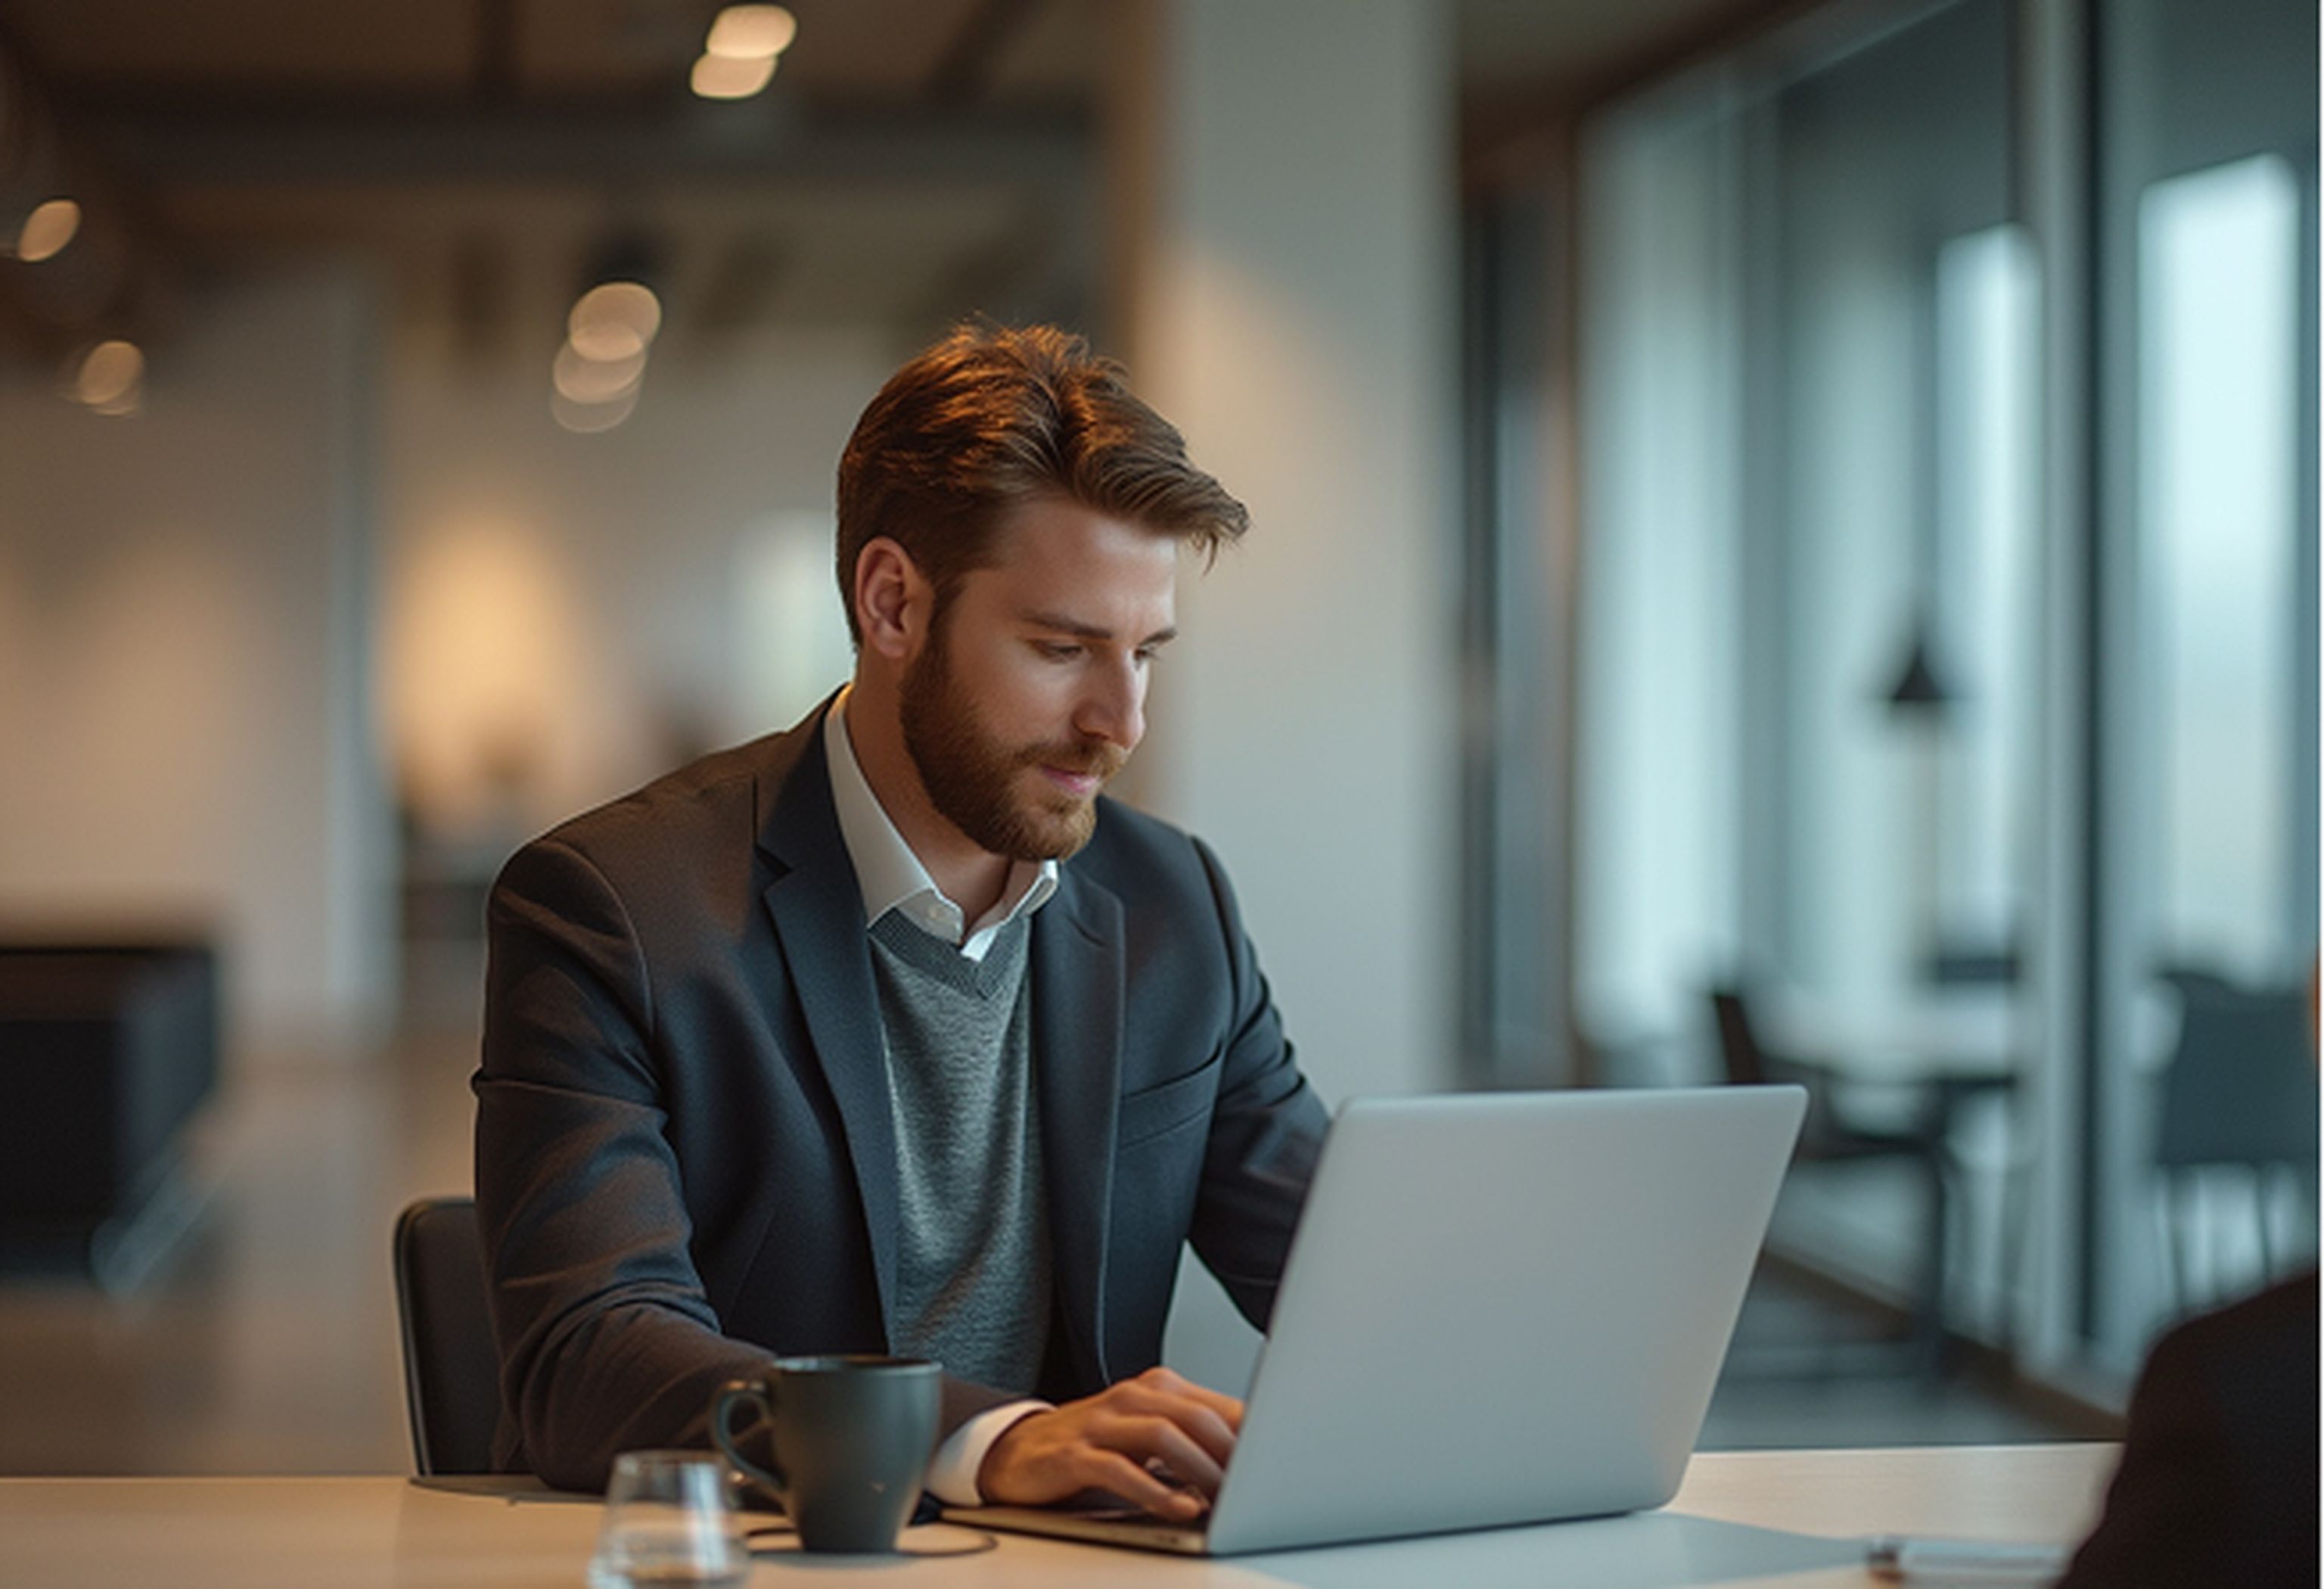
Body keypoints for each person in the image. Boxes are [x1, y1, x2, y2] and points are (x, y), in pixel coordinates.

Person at [473, 323, 1329, 1519]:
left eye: (1146, 655)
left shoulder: (1173, 905)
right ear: (892, 603)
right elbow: (589, 1359)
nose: (1120, 720)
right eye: (1061, 648)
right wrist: (987, 1442)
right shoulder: (616, 909)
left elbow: (1345, 1276)